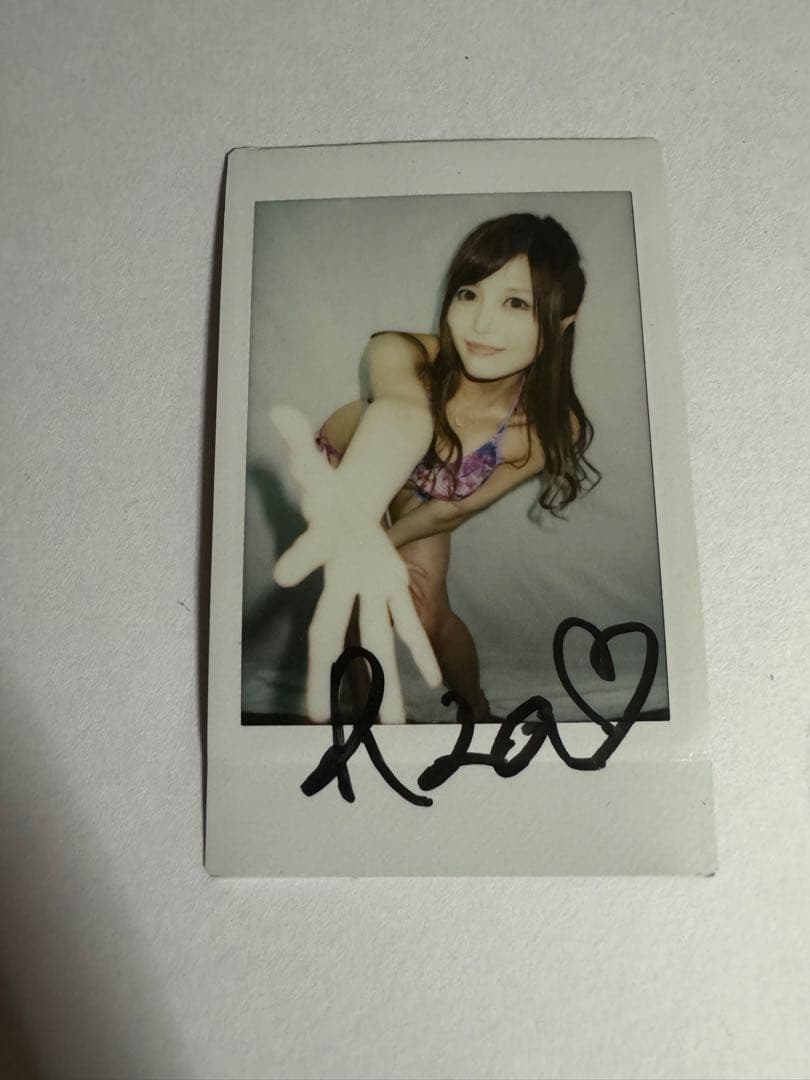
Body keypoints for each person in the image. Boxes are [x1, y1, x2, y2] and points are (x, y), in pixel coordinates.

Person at [271, 212, 599, 725]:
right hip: (345, 468)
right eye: (469, 294)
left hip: (425, 493)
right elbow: (400, 406)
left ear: (562, 322)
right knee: (359, 594)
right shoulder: (405, 352)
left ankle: (477, 709)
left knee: (428, 612)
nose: (480, 323)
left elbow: (453, 508)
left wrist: (384, 542)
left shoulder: (550, 426)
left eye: (515, 302)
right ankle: (366, 724)